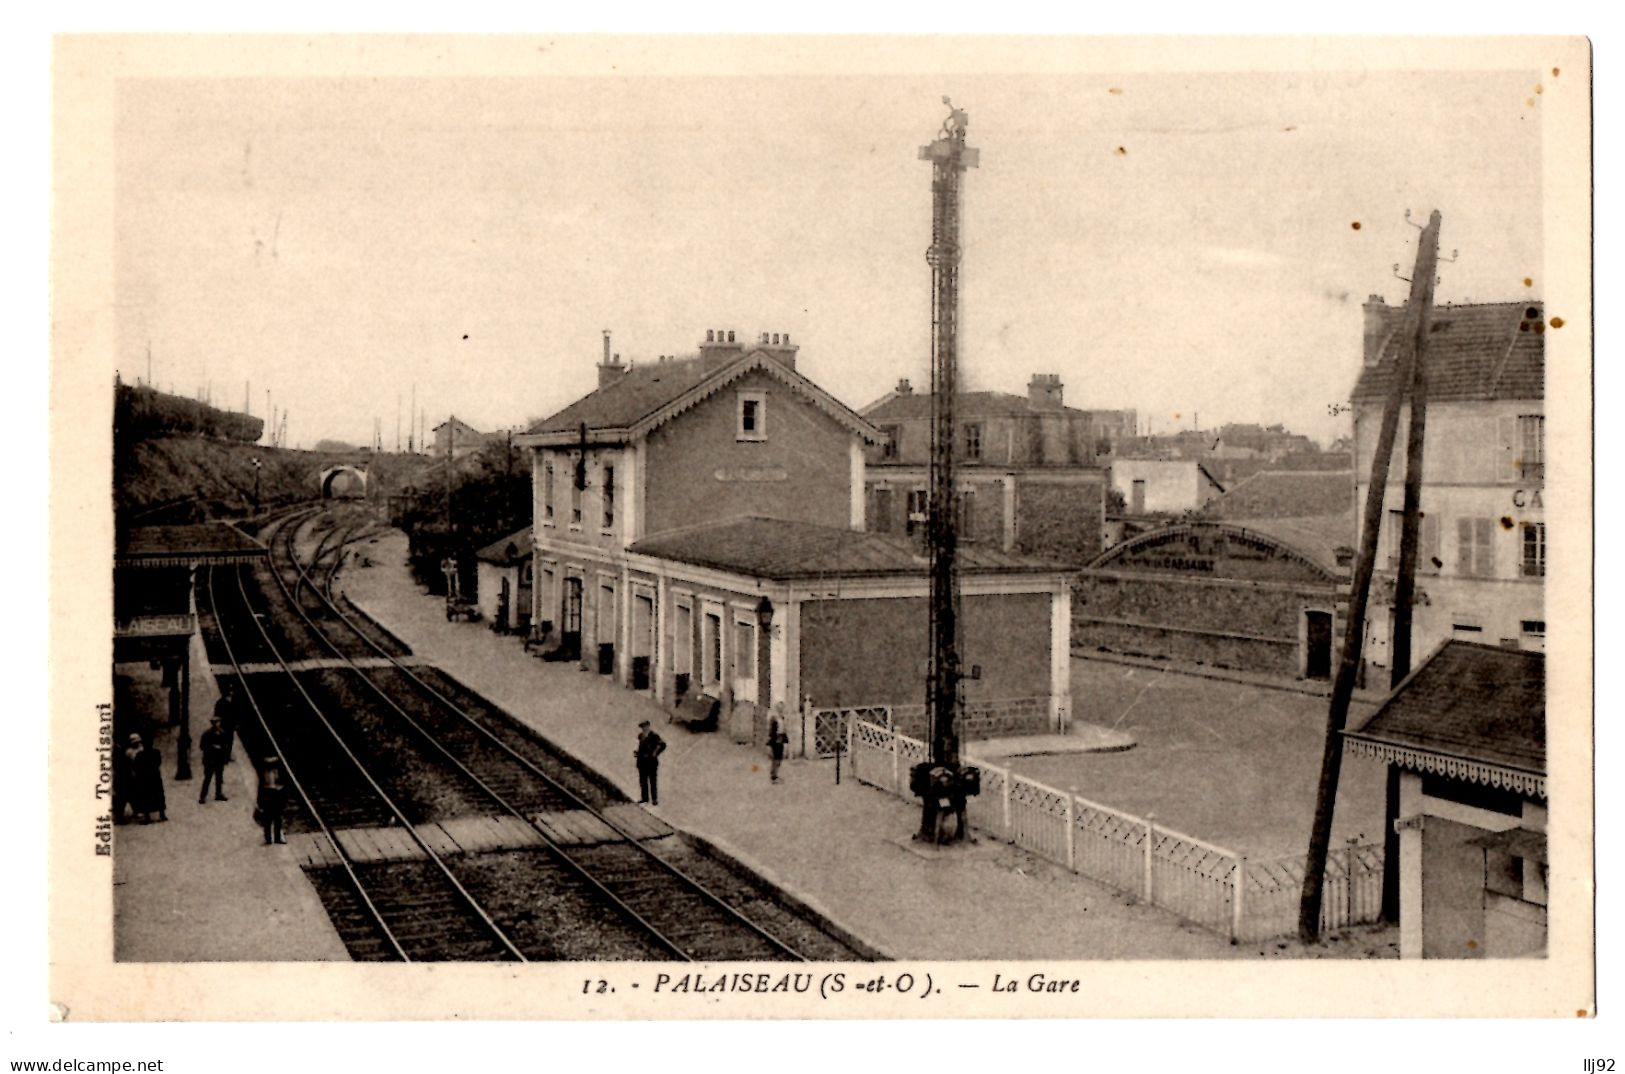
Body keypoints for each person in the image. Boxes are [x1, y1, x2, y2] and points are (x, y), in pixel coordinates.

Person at [131, 733, 167, 824]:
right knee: (158, 795)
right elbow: (158, 763)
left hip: (144, 777)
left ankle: (147, 816)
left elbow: (136, 766)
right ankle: (162, 814)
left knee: (146, 796)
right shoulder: (156, 752)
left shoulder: (140, 755)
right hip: (155, 776)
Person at [196, 716, 230, 803]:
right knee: (207, 778)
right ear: (213, 724)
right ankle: (202, 796)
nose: (218, 724)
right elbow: (202, 746)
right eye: (216, 723)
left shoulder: (222, 733)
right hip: (209, 760)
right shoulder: (207, 734)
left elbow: (226, 746)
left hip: (219, 760)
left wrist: (225, 758)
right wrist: (213, 747)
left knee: (219, 778)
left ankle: (218, 794)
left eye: (218, 722)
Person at [255, 759, 288, 845]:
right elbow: (260, 788)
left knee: (278, 818)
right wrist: (259, 801)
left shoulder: (277, 773)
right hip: (268, 795)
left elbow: (283, 785)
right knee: (268, 819)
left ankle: (277, 838)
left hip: (277, 794)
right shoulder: (264, 775)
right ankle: (268, 839)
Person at [634, 720, 666, 805]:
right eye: (642, 727)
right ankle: (645, 798)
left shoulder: (654, 736)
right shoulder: (640, 736)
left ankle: (654, 799)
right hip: (641, 762)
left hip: (651, 763)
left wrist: (655, 754)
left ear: (648, 726)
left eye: (645, 726)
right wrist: (637, 753)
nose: (644, 729)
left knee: (652, 780)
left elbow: (663, 745)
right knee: (643, 781)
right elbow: (640, 747)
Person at [212, 682, 239, 763]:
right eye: (230, 691)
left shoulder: (231, 702)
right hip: (224, 725)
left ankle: (227, 756)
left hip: (230, 724)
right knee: (224, 741)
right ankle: (224, 757)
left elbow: (235, 713)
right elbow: (217, 714)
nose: (231, 692)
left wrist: (236, 723)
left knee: (230, 741)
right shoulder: (221, 702)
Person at [768, 715, 788, 784]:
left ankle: (774, 775)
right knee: (776, 759)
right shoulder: (774, 719)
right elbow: (772, 733)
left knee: (778, 760)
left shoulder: (782, 718)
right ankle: (774, 777)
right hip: (776, 741)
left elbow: (784, 731)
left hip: (780, 741)